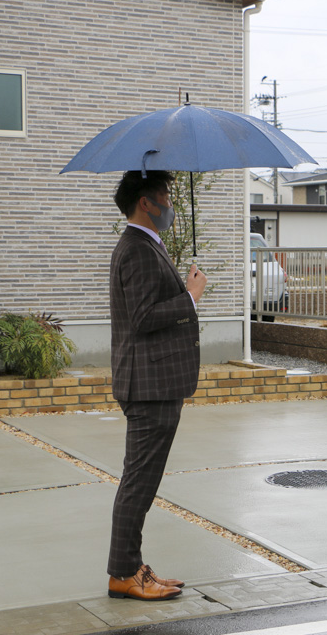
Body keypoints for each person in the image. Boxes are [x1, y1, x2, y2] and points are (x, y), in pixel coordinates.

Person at [106, 170, 208, 601]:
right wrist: (189, 297)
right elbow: (144, 317)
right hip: (149, 385)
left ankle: (131, 567)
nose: (170, 202)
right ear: (145, 202)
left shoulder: (145, 246)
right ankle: (124, 572)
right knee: (139, 482)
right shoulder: (137, 249)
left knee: (141, 481)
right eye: (165, 195)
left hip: (155, 382)